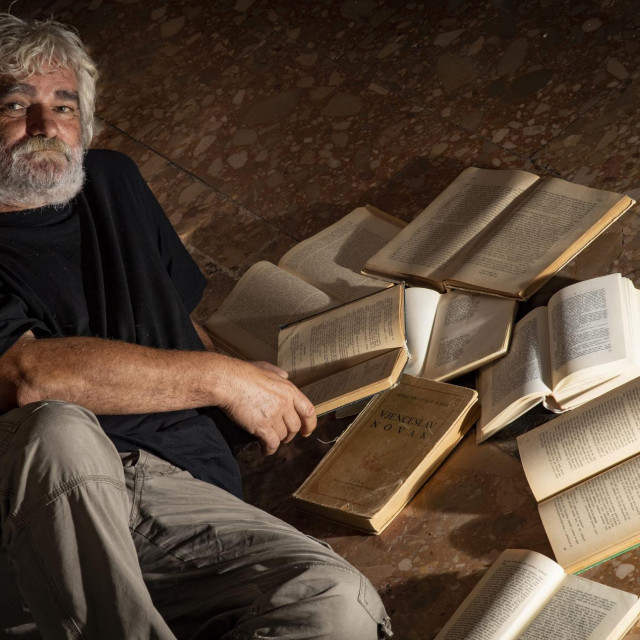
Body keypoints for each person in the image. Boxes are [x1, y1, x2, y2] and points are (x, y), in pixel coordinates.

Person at [0, 13, 392, 640]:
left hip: (183, 494)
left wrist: (246, 379)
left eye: (64, 106)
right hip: (39, 510)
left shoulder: (113, 180)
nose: (46, 126)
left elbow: (175, 323)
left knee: (333, 599)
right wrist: (221, 378)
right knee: (58, 430)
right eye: (16, 105)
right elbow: (27, 375)